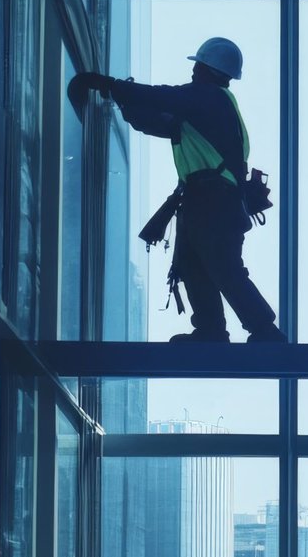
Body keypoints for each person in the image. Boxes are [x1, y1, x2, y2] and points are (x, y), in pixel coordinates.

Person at [68, 37, 285, 343]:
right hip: (205, 199)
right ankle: (211, 331)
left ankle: (264, 331)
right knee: (193, 262)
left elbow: (162, 98)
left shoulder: (210, 98)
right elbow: (153, 120)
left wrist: (111, 85)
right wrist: (120, 98)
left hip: (214, 200)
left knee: (223, 265)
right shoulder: (201, 113)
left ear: (212, 71)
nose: (194, 71)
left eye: (199, 65)